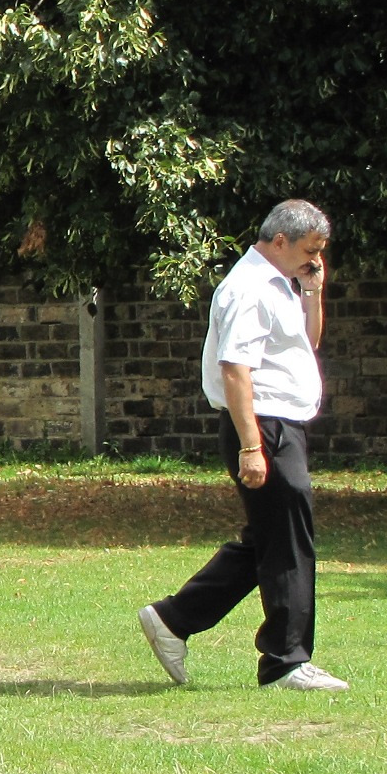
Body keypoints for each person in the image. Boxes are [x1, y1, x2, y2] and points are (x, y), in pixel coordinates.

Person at [138, 199, 348, 692]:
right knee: (291, 541)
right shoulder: (248, 289)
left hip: (280, 424)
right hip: (264, 425)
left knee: (269, 539)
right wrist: (252, 445)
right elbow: (236, 370)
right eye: (309, 251)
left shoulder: (282, 284)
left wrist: (313, 293)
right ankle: (284, 663)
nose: (315, 260)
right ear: (279, 241)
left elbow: (304, 346)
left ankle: (173, 619)